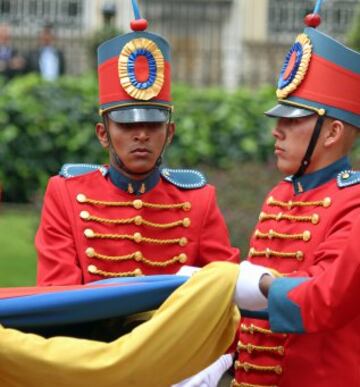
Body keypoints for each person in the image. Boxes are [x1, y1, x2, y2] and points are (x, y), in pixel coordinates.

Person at [181, 2, 360, 386]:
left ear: (331, 133)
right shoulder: (281, 195)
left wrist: (246, 282)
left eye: (293, 121)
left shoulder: (354, 203)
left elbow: (321, 299)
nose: (277, 131)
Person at [35, 0, 238, 286]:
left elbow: (225, 287)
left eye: (153, 125)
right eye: (128, 125)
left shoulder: (199, 201)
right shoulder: (65, 194)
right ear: (102, 133)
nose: (141, 135)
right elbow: (57, 295)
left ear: (169, 133)